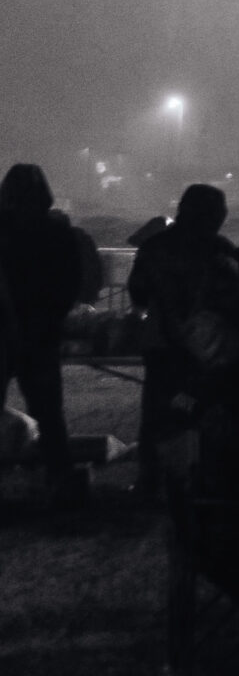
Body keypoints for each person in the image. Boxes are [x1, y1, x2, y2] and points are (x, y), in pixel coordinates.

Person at [126, 184, 239, 506]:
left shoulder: (155, 247)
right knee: (205, 407)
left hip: (162, 346)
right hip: (208, 349)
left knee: (158, 409)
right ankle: (202, 476)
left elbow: (138, 293)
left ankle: (152, 479)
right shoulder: (221, 249)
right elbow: (237, 299)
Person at [0, 164, 90, 508]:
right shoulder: (57, 233)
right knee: (49, 414)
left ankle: (59, 479)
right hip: (38, 334)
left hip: (18, 333)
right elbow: (72, 283)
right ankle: (60, 480)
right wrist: (50, 319)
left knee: (49, 413)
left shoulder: (13, 231)